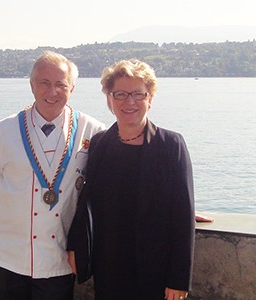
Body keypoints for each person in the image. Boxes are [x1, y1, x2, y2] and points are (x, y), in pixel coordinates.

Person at [0, 51, 107, 299]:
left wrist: (165, 204)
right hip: (6, 257)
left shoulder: (92, 131)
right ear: (32, 86)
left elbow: (120, 178)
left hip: (58, 259)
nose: (52, 92)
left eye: (60, 84)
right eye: (44, 83)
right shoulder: (4, 130)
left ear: (72, 88)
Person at [67, 59, 195, 300]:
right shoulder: (100, 143)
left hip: (154, 273)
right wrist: (75, 245)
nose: (130, 102)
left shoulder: (171, 145)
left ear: (150, 98)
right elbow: (86, 199)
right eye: (121, 94)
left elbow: (182, 214)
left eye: (138, 94)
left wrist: (178, 279)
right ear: (109, 99)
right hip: (109, 267)